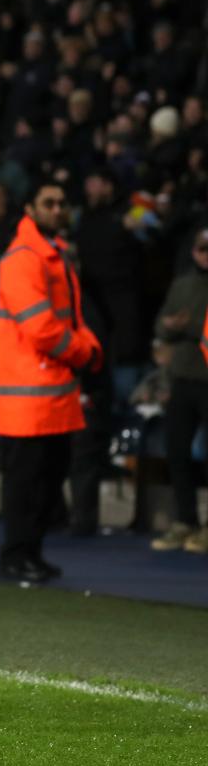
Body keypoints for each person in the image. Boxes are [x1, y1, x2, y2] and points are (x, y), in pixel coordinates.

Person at [0, 180, 103, 583]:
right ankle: (15, 556)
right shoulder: (25, 258)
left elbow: (66, 320)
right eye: (48, 202)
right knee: (27, 487)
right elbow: (41, 328)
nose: (57, 209)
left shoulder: (49, 256)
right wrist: (84, 351)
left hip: (47, 396)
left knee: (44, 484)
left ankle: (29, 554)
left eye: (61, 202)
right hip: (28, 398)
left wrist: (86, 345)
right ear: (30, 208)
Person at [149, 228, 208, 553]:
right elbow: (161, 324)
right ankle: (185, 520)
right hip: (183, 376)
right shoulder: (182, 284)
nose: (205, 254)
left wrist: (189, 326)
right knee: (177, 451)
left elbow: (199, 327)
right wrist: (169, 327)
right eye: (201, 248)